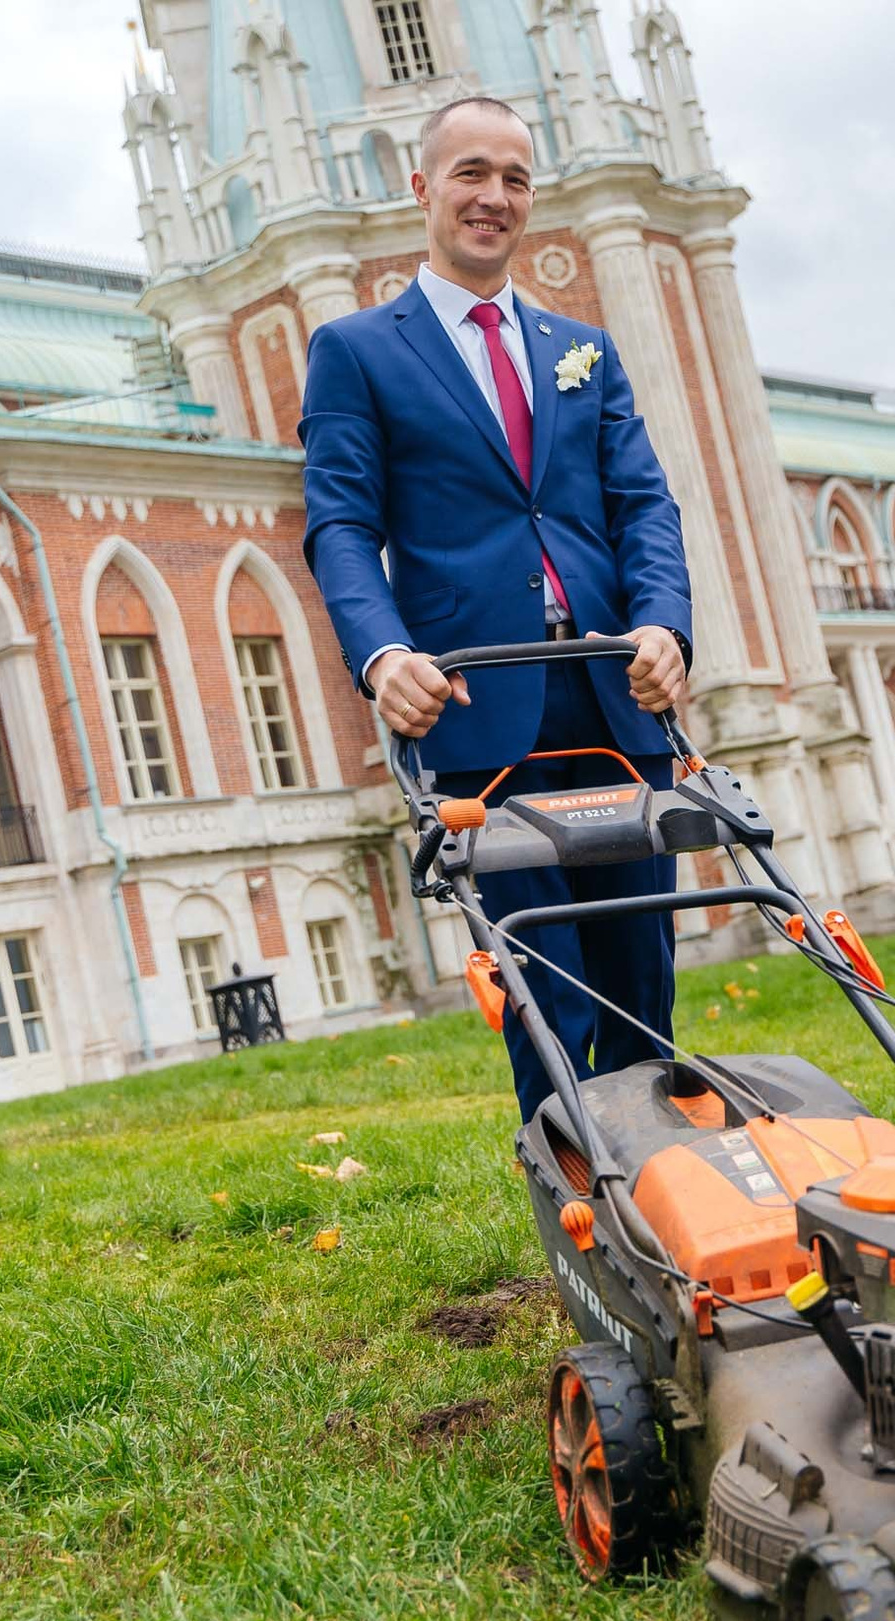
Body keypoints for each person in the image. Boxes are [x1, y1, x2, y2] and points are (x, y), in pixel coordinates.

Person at [301, 96, 694, 1121]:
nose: (495, 197)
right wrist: (384, 654)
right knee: (543, 990)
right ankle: (575, 1190)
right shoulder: (357, 350)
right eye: (471, 172)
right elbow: (340, 524)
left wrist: (664, 625)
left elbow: (643, 504)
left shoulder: (583, 348)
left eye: (516, 178)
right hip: (477, 705)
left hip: (613, 696)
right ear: (421, 186)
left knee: (643, 983)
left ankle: (662, 1178)